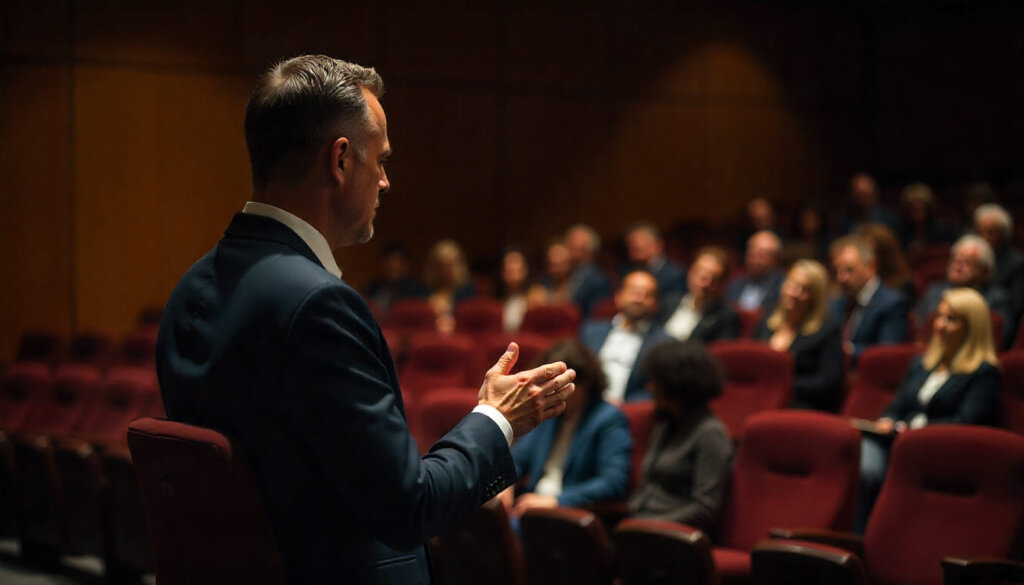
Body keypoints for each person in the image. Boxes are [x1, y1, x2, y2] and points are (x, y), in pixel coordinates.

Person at [155, 55, 577, 584]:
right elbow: (408, 509)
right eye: (379, 159)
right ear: (340, 160)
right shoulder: (318, 305)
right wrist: (497, 419)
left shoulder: (191, 288)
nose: (384, 181)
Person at [854, 288, 1001, 532]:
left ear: (972, 327)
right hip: (899, 442)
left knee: (872, 467)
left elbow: (966, 422)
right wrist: (888, 421)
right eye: (940, 317)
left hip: (940, 451)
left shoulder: (984, 373)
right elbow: (896, 406)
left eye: (951, 319)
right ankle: (860, 535)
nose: (940, 325)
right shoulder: (922, 363)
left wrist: (912, 430)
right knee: (860, 456)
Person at [500, 340, 632, 516]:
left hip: (570, 514)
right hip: (532, 508)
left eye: (561, 386)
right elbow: (518, 457)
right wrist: (505, 485)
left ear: (586, 383)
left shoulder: (609, 419)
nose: (554, 393)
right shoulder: (549, 412)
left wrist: (557, 501)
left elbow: (613, 482)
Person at [629, 340, 733, 529]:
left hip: (675, 537)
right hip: (641, 525)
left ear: (676, 384)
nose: (649, 388)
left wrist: (650, 525)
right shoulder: (666, 425)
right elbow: (646, 489)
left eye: (656, 382)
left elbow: (705, 508)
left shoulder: (710, 433)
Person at [753, 260, 844, 411]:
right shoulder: (766, 321)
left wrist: (782, 385)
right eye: (791, 284)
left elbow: (828, 383)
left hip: (798, 406)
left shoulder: (827, 331)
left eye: (804, 289)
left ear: (815, 296)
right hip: (758, 399)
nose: (793, 292)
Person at [580, 270, 673, 404]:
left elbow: (657, 389)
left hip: (627, 411)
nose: (638, 299)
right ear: (618, 296)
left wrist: (625, 407)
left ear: (656, 304)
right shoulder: (591, 331)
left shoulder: (664, 343)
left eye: (647, 295)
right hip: (585, 405)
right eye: (633, 292)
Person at [914, 235, 1012, 347]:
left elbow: (1000, 338)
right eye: (956, 260)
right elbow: (919, 329)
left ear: (984, 270)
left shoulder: (998, 299)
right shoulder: (934, 291)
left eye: (967, 262)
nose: (958, 266)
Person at [828, 235, 909, 362]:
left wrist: (848, 351)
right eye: (837, 271)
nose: (841, 278)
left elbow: (886, 354)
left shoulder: (892, 304)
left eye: (848, 270)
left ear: (870, 267)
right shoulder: (838, 301)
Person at [661, 246, 741, 343]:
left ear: (722, 284)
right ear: (690, 272)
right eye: (700, 275)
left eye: (713, 279)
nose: (704, 284)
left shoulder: (725, 318)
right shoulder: (668, 301)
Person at [974, 203, 1024, 339]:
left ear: (1004, 236)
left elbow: (1016, 307)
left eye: (990, 232)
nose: (983, 238)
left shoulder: (1017, 264)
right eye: (980, 232)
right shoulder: (973, 259)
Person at [621, 222, 687, 303]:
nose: (631, 253)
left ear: (656, 245)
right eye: (629, 248)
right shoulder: (627, 271)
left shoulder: (675, 274)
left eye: (637, 249)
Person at [725, 230, 785, 312]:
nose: (755, 260)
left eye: (762, 256)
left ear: (775, 260)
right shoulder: (734, 283)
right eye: (752, 254)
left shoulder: (782, 288)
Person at [365, 242, 428, 317]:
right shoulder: (372, 288)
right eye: (388, 261)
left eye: (396, 260)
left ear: (406, 264)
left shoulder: (418, 292)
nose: (392, 266)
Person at [425, 238, 476, 331]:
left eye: (448, 266)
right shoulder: (424, 291)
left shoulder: (467, 292)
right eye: (440, 266)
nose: (444, 271)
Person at [857, 222, 915, 302]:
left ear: (884, 254)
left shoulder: (903, 285)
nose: (866, 258)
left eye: (870, 252)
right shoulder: (859, 284)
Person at [564, 224, 614, 317]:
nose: (566, 249)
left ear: (587, 249)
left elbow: (596, 315)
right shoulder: (563, 272)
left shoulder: (598, 280)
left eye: (572, 245)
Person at [896, 182, 955, 256]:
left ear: (928, 207)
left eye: (921, 208)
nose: (917, 213)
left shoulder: (942, 231)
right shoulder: (902, 231)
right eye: (913, 208)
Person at [496, 247, 531, 332]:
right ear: (503, 272)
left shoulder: (535, 298)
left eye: (516, 268)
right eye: (509, 269)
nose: (513, 273)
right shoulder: (496, 301)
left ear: (525, 270)